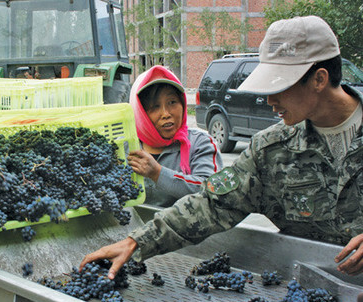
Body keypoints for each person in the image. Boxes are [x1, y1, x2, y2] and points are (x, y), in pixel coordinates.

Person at [80, 15, 363, 278]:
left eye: (279, 86)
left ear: (319, 79)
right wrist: (136, 242)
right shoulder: (270, 150)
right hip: (315, 295)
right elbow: (210, 204)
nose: (269, 100)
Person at [128, 65, 222, 207]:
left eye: (172, 102)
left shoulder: (201, 143)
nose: (166, 114)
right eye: (155, 106)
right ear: (140, 112)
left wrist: (158, 174)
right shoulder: (127, 149)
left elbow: (211, 190)